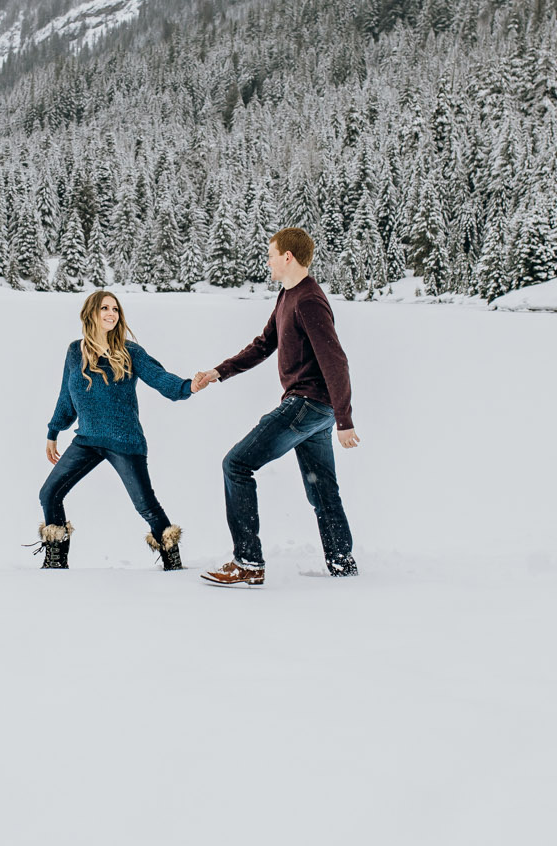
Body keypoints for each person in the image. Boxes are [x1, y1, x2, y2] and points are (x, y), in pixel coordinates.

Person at [191, 227, 357, 587]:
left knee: (236, 464)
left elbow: (335, 360)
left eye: (271, 254)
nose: (267, 261)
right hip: (316, 411)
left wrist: (345, 419)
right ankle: (343, 564)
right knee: (322, 490)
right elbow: (264, 344)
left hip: (307, 405)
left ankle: (249, 562)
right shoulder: (287, 296)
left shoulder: (309, 300)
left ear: (288, 257)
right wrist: (219, 371)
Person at [37, 290, 195, 570]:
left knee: (146, 505)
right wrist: (53, 431)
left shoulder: (129, 351)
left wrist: (188, 387)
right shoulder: (75, 351)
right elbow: (67, 398)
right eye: (105, 308)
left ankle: (173, 564)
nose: (111, 314)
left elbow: (160, 378)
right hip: (86, 440)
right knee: (50, 493)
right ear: (91, 313)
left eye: (116, 309)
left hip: (125, 440)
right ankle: (55, 563)